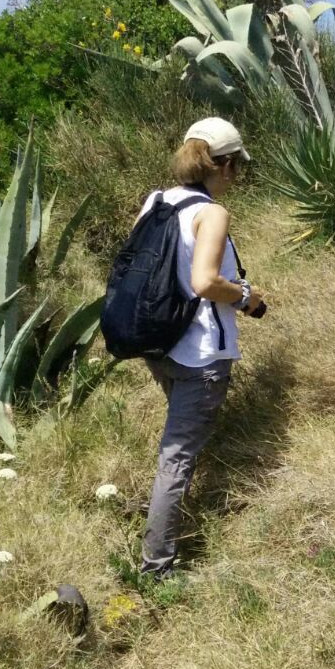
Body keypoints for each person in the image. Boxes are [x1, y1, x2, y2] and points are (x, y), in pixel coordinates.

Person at [139, 116, 267, 578]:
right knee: (176, 457)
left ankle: (160, 535)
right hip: (200, 354)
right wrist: (247, 298)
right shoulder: (211, 213)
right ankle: (157, 568)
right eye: (238, 169)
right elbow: (205, 281)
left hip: (158, 345)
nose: (237, 178)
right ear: (226, 166)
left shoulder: (157, 201)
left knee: (179, 447)